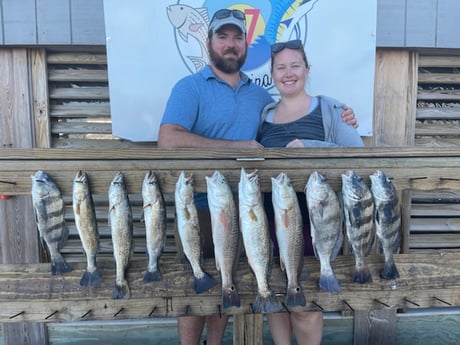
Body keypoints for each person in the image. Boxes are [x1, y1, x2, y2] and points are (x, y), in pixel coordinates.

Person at [158, 9, 357, 345]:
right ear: (209, 43)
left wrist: (344, 117)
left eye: (238, 37)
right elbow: (168, 139)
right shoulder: (190, 87)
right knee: (194, 292)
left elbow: (345, 147)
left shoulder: (261, 99)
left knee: (230, 283)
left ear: (247, 45)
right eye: (223, 37)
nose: (231, 44)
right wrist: (236, 146)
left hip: (252, 213)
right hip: (201, 208)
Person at [258, 39, 364, 345]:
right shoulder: (262, 115)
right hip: (269, 222)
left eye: (295, 66)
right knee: (277, 296)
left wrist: (311, 148)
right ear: (272, 73)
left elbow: (357, 154)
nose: (288, 73)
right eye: (281, 67)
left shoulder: (331, 109)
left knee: (306, 307)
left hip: (317, 225)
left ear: (307, 69)